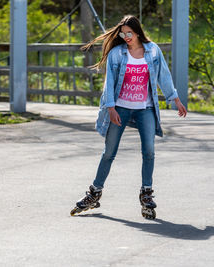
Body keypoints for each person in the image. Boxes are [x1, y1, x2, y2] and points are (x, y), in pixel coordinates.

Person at [70, 15, 187, 219]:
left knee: (149, 151)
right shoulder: (117, 53)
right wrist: (110, 107)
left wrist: (175, 99)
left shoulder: (153, 51)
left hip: (145, 109)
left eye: (129, 33)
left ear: (138, 32)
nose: (125, 37)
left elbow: (164, 76)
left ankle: (146, 194)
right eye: (123, 33)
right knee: (109, 152)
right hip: (121, 108)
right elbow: (110, 82)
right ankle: (94, 193)